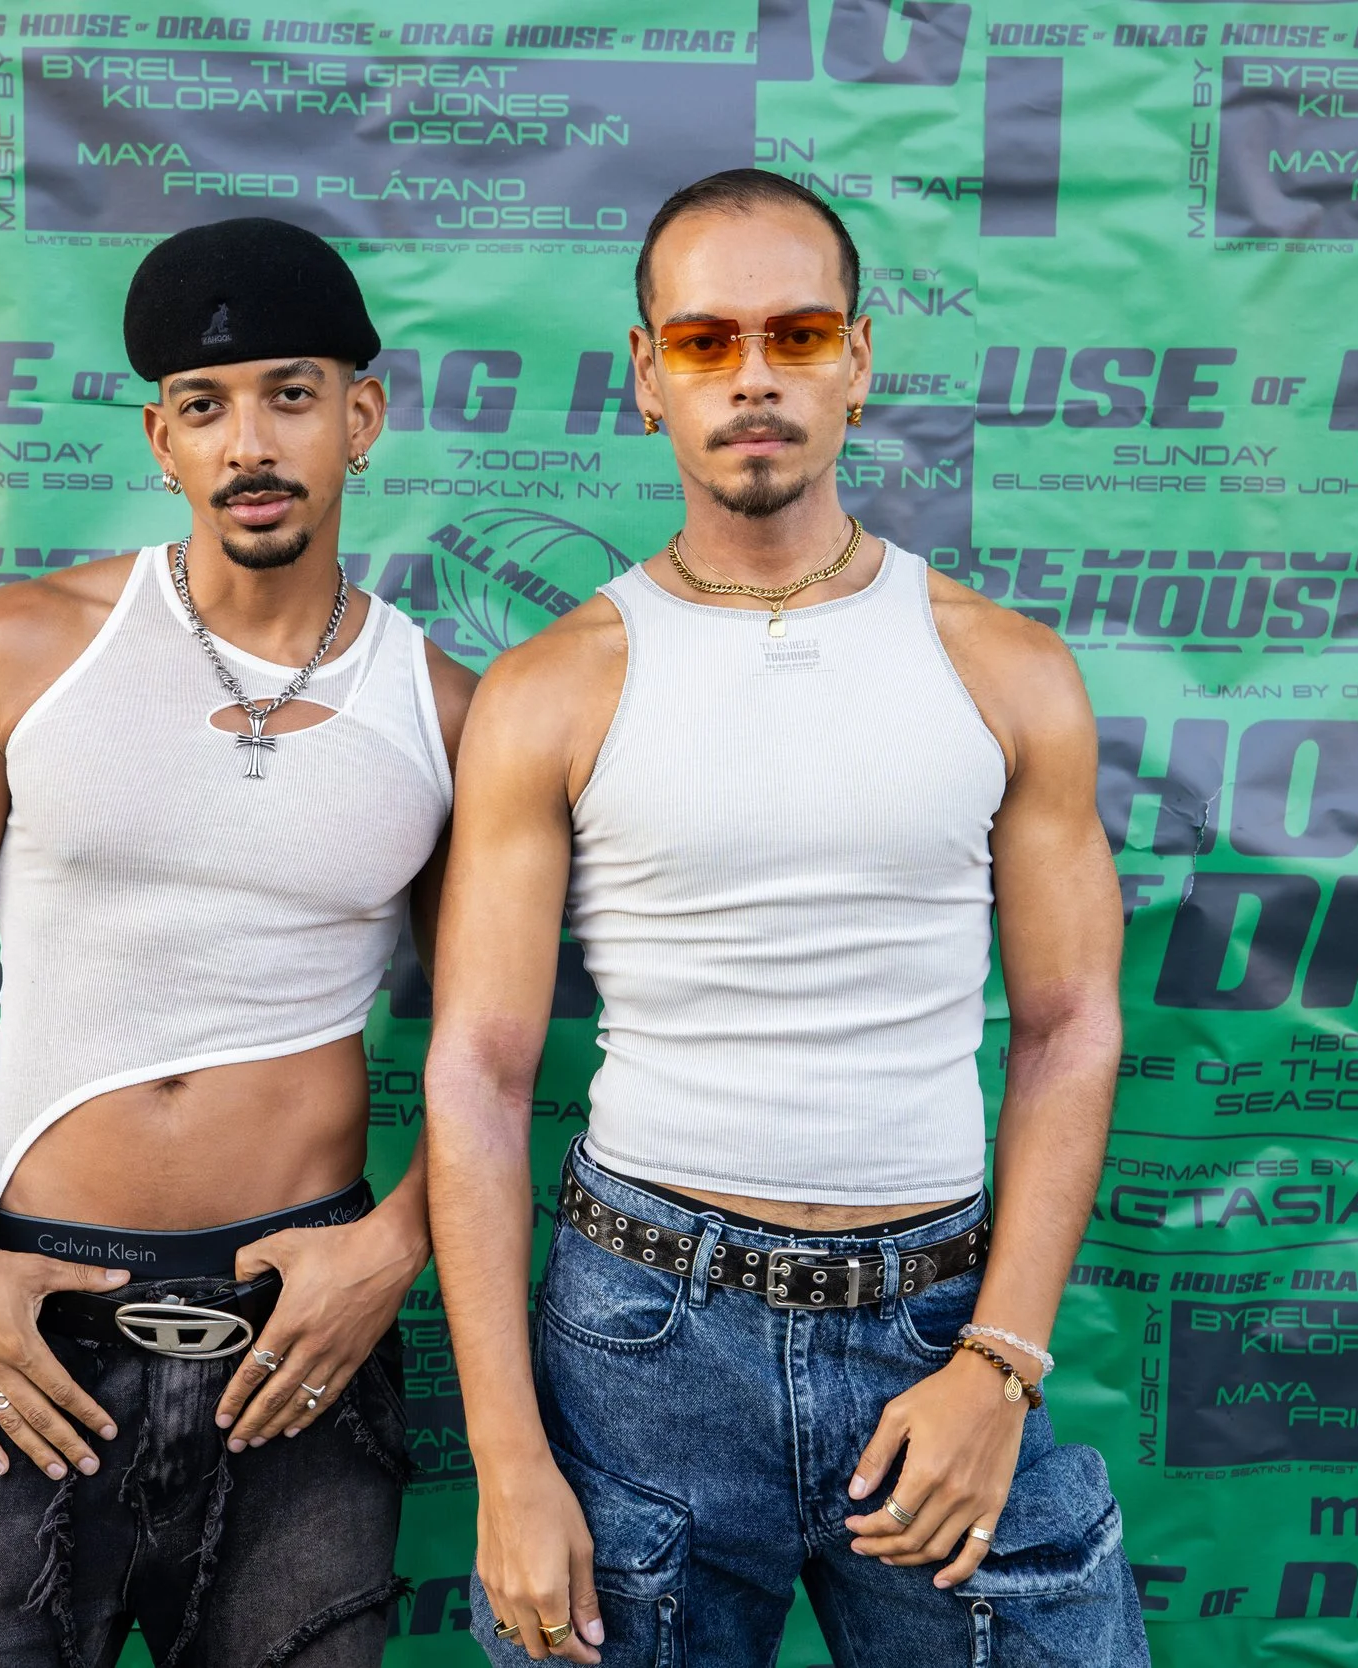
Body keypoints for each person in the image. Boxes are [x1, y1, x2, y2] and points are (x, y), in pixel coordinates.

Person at [425, 170, 1147, 1666]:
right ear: (649, 377)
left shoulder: (1007, 667)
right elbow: (480, 1074)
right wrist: (508, 1459)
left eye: (798, 334)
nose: (753, 375)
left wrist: (1002, 1361)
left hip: (940, 1323)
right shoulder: (554, 689)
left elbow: (1072, 1025)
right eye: (705, 342)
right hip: (643, 1340)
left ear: (858, 362)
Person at [0, 216, 474, 1668]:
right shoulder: (20, 651)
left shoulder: (443, 712)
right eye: (205, 405)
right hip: (28, 1313)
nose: (250, 442)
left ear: (362, 418)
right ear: (161, 439)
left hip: (299, 1330)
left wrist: (396, 1244)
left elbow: (489, 1041)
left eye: (292, 396)